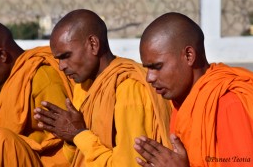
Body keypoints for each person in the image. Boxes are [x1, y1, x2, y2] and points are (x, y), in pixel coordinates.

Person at [33, 9, 172, 166]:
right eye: (58, 59)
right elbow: (80, 157)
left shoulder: (128, 88)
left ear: (93, 44)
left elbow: (129, 164)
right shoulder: (84, 86)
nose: (61, 66)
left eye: (66, 56)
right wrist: (71, 140)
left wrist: (79, 135)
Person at [134, 12, 253, 167]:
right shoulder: (182, 101)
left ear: (189, 56)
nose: (149, 78)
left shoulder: (227, 103)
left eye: (157, 67)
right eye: (147, 69)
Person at [0, 19, 74, 166]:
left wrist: (9, 149)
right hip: (15, 158)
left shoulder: (42, 78)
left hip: (43, 163)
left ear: (2, 55)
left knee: (1, 141)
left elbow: (68, 146)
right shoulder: (10, 81)